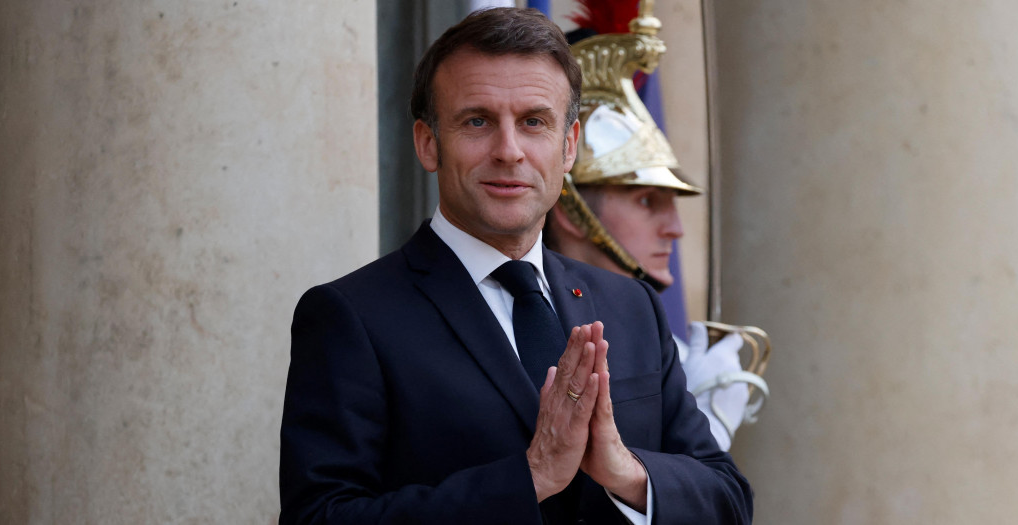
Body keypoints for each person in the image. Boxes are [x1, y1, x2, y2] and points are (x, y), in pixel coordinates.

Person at [278, 7, 751, 525]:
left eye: (534, 122)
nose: (509, 151)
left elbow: (729, 499)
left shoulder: (631, 305)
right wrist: (530, 478)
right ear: (428, 143)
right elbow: (318, 518)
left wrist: (627, 472)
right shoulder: (353, 316)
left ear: (568, 146)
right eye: (477, 121)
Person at [546, 4, 771, 452]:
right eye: (648, 201)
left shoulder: (651, 336)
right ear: (570, 211)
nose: (675, 229)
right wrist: (706, 437)